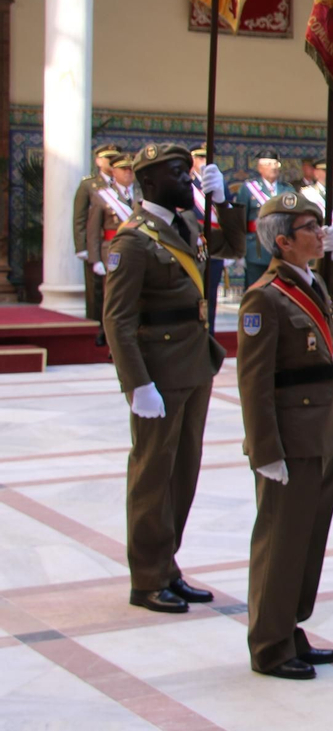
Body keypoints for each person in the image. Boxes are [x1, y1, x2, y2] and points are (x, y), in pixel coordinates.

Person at [102, 143, 244, 612]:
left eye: (190, 174)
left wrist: (223, 202)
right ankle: (146, 578)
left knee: (183, 472)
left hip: (193, 363)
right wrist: (136, 384)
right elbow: (117, 320)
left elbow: (233, 246)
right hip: (159, 374)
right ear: (149, 183)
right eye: (180, 175)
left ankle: (167, 565)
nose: (189, 182)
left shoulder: (184, 225)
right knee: (152, 475)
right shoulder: (133, 241)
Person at [236, 192, 333, 680]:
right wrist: (265, 450)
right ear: (282, 240)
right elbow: (253, 381)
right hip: (290, 437)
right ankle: (269, 642)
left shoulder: (311, 281)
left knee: (307, 540)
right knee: (280, 542)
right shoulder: (264, 296)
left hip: (322, 431)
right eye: (309, 226)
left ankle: (289, 625)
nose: (319, 233)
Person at [85, 154, 139, 343]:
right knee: (114, 298)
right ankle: (112, 339)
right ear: (114, 172)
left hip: (137, 252)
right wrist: (95, 259)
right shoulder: (102, 197)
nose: (128, 173)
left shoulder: (141, 196)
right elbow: (93, 230)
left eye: (130, 169)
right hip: (112, 253)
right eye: (124, 169)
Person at [76, 143, 121, 326]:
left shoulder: (122, 185)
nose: (111, 162)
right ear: (98, 161)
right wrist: (82, 247)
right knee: (95, 290)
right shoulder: (89, 184)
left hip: (117, 244)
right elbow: (80, 217)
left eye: (114, 158)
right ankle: (95, 326)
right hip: (96, 243)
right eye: (108, 158)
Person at [296, 159, 333, 308]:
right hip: (314, 244)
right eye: (325, 171)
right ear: (316, 173)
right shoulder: (308, 194)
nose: (330, 175)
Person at [238, 153, 293, 290]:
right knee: (256, 292)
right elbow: (240, 221)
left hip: (282, 250)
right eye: (269, 164)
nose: (273, 168)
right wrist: (239, 251)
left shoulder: (288, 189)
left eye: (276, 164)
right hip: (256, 249)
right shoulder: (249, 189)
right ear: (260, 168)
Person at [187, 148, 226, 331]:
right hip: (194, 243)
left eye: (207, 156)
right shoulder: (187, 183)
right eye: (200, 156)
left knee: (211, 295)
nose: (204, 160)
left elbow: (225, 212)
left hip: (215, 245)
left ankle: (209, 332)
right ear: (192, 159)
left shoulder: (218, 183)